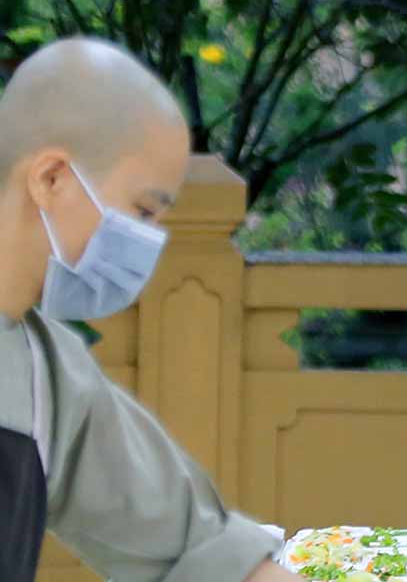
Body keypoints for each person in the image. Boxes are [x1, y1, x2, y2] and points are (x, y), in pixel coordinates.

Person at [0, 38, 302, 581]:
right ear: (51, 178)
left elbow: (199, 550)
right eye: (142, 211)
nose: (149, 241)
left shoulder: (48, 374)